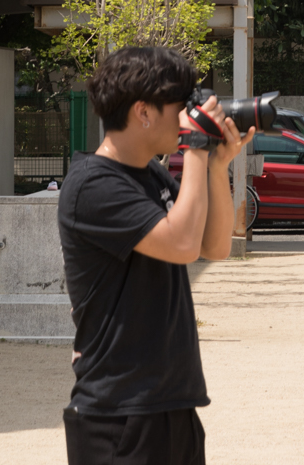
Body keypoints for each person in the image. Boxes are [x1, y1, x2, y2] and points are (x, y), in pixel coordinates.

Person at [57, 43, 250, 464]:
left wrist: (216, 167)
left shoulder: (151, 174)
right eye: (179, 105)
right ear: (143, 112)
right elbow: (181, 246)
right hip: (119, 415)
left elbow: (212, 247)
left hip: (170, 402)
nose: (187, 115)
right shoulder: (93, 184)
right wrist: (196, 145)